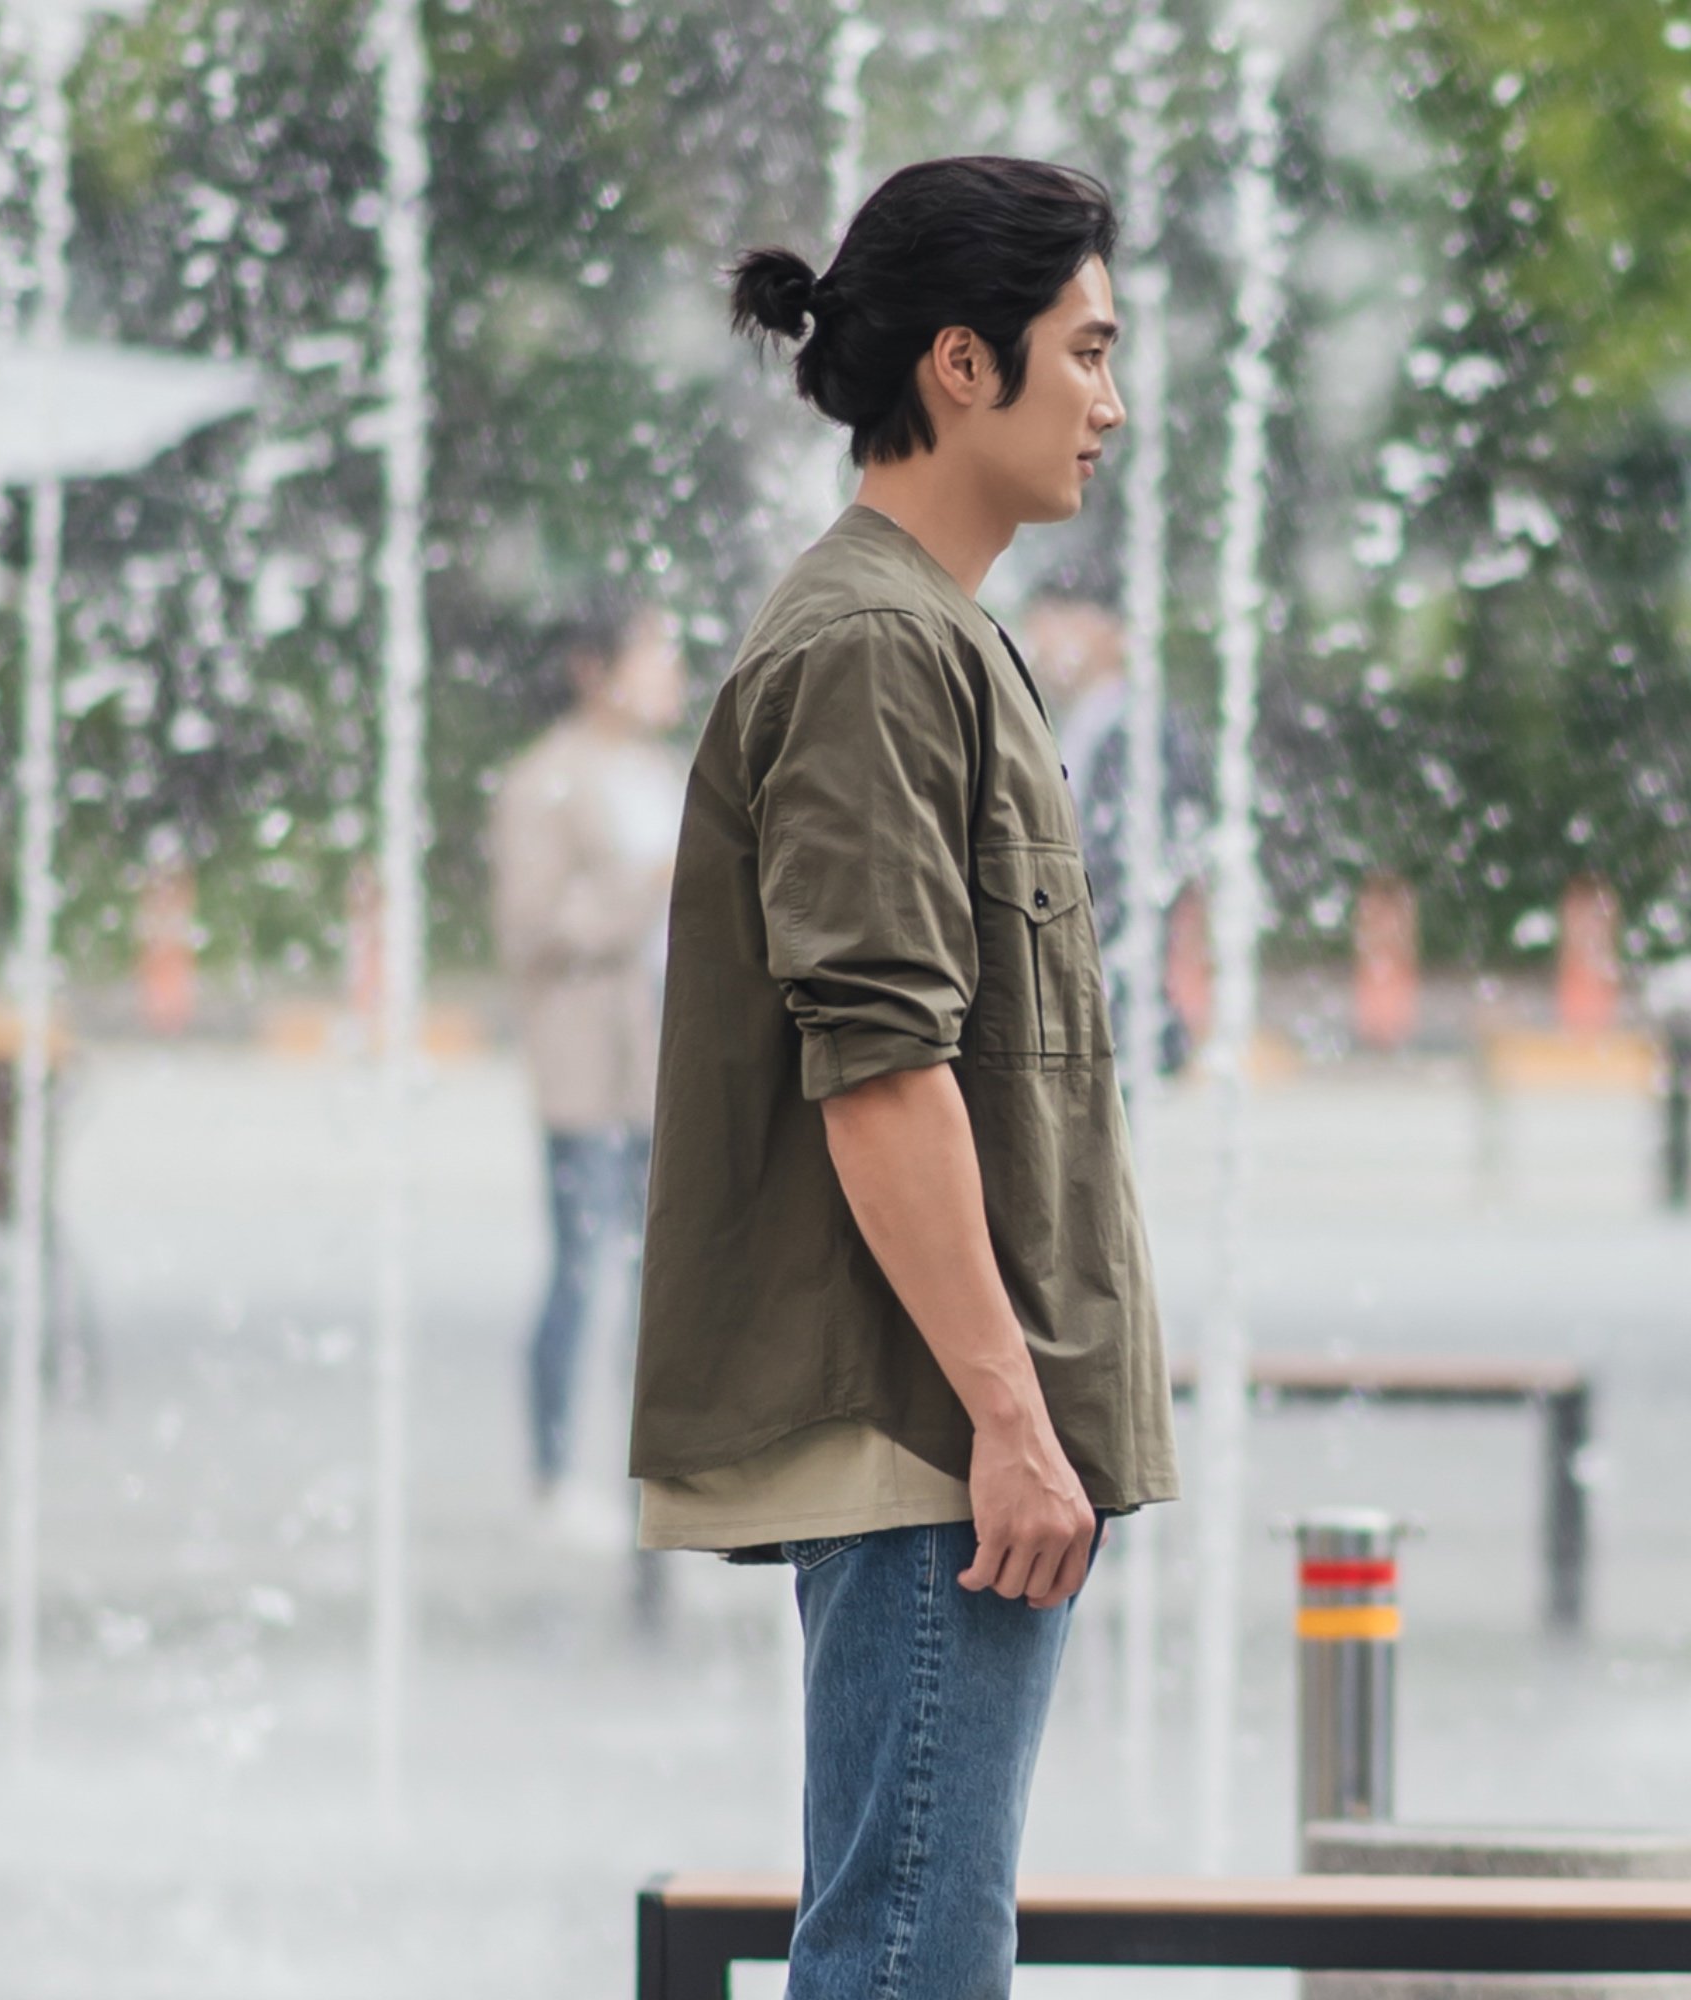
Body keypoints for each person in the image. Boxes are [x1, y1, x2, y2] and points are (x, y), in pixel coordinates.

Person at [629, 156, 1177, 2000]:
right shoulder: (877, 645)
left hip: (940, 1427)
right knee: (906, 1948)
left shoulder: (935, 634)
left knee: (913, 1930)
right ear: (963, 363)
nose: (1112, 401)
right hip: (929, 1434)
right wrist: (1013, 1423)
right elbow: (878, 1073)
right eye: (1085, 352)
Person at [489, 594, 685, 1538]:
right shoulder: (544, 782)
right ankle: (555, 1472)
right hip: (584, 1068)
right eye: (653, 654)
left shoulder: (666, 772)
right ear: (594, 668)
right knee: (578, 1268)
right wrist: (640, 891)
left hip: (664, 1065)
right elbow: (532, 927)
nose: (671, 673)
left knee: (666, 1276)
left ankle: (654, 1471)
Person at [1019, 591, 1206, 1072]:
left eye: (1061, 616)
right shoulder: (1067, 730)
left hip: (1117, 1020)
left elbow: (1116, 877)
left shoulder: (1145, 735)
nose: (1039, 637)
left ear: (1114, 632)